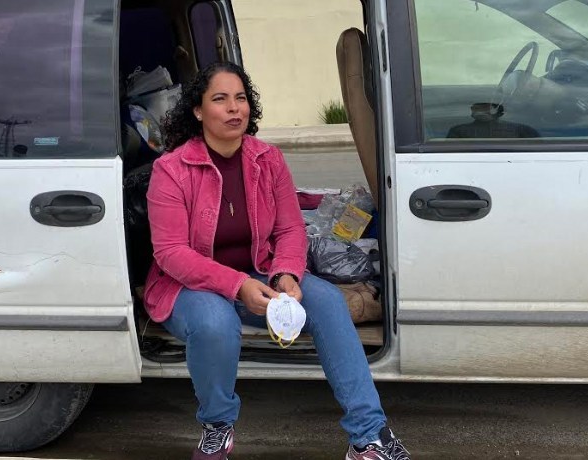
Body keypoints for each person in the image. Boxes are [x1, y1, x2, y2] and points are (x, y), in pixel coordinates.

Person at [144, 61, 411, 460]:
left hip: (260, 271)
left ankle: (368, 436)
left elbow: (290, 229)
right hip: (188, 285)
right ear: (198, 110)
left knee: (328, 301)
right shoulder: (171, 169)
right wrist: (238, 286)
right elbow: (171, 253)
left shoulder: (267, 159)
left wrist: (286, 273)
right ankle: (217, 425)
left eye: (240, 98)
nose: (234, 108)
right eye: (220, 99)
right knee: (216, 323)